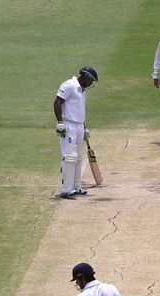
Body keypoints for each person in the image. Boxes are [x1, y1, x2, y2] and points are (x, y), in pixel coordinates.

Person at [53, 66, 98, 199]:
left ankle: (76, 186)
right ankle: (66, 189)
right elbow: (57, 102)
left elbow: (79, 110)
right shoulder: (70, 85)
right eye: (92, 80)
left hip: (79, 126)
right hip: (68, 125)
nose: (92, 84)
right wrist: (60, 122)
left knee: (78, 157)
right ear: (86, 77)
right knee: (69, 156)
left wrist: (84, 128)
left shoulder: (83, 91)